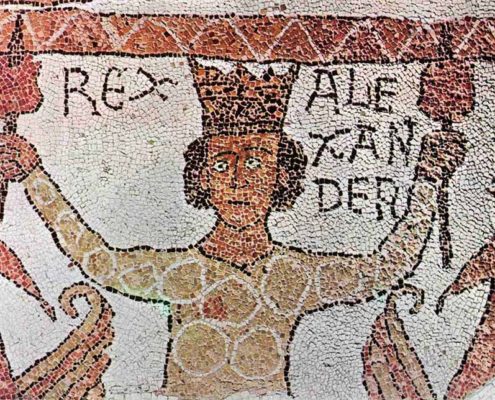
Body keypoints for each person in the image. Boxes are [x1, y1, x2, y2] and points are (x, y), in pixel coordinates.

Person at [0, 59, 465, 400]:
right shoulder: (182, 273)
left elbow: (387, 267)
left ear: (281, 176)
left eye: (256, 162)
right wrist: (33, 176)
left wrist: (427, 179)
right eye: (222, 164)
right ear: (202, 177)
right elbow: (99, 260)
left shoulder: (294, 276)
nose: (238, 179)